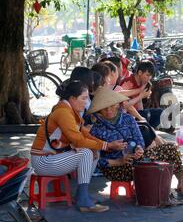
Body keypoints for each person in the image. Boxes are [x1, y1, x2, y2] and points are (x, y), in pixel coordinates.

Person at [30, 81, 127, 213]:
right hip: (43, 162)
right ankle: (82, 199)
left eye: (87, 98)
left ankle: (83, 195)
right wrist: (107, 145)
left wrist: (107, 146)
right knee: (86, 153)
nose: (87, 102)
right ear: (72, 99)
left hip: (51, 159)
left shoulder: (70, 112)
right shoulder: (63, 113)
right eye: (84, 98)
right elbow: (78, 140)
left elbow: (85, 135)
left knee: (94, 152)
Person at [88, 87, 182, 182]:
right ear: (99, 111)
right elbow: (95, 161)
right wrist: (119, 161)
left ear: (117, 105)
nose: (108, 111)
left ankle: (179, 181)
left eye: (111, 106)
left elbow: (139, 140)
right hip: (116, 168)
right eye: (104, 109)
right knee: (152, 163)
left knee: (170, 149)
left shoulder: (128, 119)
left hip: (135, 159)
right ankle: (159, 187)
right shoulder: (96, 130)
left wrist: (139, 149)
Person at [120, 60, 164, 128]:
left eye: (151, 76)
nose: (149, 78)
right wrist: (141, 96)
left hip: (136, 113)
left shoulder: (143, 83)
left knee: (160, 112)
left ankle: (148, 131)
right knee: (145, 114)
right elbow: (124, 106)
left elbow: (139, 104)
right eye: (147, 75)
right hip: (126, 115)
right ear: (140, 72)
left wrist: (142, 113)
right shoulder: (128, 82)